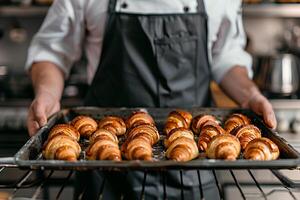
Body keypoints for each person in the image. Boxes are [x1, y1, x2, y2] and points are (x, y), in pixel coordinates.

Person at [25, 0, 277, 199]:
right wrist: (47, 94)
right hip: (105, 163)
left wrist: (250, 94)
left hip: (196, 160)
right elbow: (53, 51)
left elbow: (226, 57)